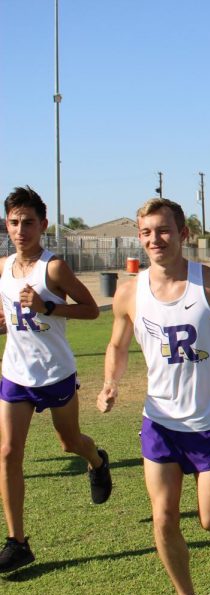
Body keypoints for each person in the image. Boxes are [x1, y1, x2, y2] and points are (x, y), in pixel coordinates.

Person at [96, 198, 210, 595]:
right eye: (147, 232)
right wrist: (110, 382)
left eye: (164, 230)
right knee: (163, 518)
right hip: (160, 421)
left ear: (183, 234)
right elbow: (116, 346)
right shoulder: (129, 293)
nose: (155, 239)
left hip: (209, 420)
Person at [0, 186, 112, 573]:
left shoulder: (54, 268)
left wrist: (48, 305)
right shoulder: (2, 267)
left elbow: (92, 310)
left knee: (70, 443)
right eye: (13, 222)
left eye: (28, 222)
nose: (20, 230)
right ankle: (17, 542)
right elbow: (12, 318)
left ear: (43, 225)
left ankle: (97, 461)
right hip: (16, 373)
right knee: (8, 453)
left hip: (55, 373)